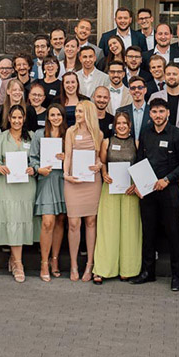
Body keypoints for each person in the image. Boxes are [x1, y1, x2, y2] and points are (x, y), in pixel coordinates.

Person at [133, 99, 179, 290]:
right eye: (154, 112)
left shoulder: (178, 135)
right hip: (148, 191)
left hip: (169, 190)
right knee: (148, 232)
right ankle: (148, 272)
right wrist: (137, 184)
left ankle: (177, 276)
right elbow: (139, 159)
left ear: (167, 112)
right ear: (150, 114)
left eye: (161, 111)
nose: (157, 115)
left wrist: (167, 179)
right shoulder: (146, 133)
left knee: (173, 233)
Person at [0, 104, 38, 282]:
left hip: (26, 187)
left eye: (20, 117)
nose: (17, 121)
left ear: (24, 119)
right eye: (14, 117)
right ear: (9, 119)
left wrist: (34, 169)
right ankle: (18, 263)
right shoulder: (1, 138)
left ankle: (14, 258)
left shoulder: (32, 137)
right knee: (13, 221)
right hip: (7, 187)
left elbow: (36, 160)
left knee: (22, 222)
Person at [94, 110, 143, 283]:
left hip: (130, 190)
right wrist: (104, 174)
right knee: (108, 228)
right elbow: (102, 163)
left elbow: (140, 165)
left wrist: (136, 184)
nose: (121, 126)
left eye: (125, 123)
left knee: (130, 229)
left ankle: (128, 268)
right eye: (118, 123)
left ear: (130, 126)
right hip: (111, 188)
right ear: (114, 126)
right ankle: (103, 268)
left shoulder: (136, 143)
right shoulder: (107, 142)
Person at [62, 100, 104, 281]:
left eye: (80, 112)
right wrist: (65, 174)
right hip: (73, 181)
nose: (77, 114)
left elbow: (101, 159)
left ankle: (89, 265)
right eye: (77, 111)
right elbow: (68, 155)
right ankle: (73, 265)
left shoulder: (98, 134)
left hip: (91, 182)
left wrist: (99, 165)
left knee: (91, 222)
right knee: (73, 223)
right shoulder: (70, 132)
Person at [34, 104, 69, 279]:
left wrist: (66, 158)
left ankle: (55, 259)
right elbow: (32, 157)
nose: (55, 118)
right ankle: (44, 262)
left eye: (58, 115)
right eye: (52, 114)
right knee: (48, 222)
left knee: (60, 220)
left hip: (63, 180)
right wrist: (38, 169)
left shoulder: (68, 135)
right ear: (48, 116)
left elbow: (76, 158)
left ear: (63, 116)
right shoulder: (39, 134)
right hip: (46, 180)